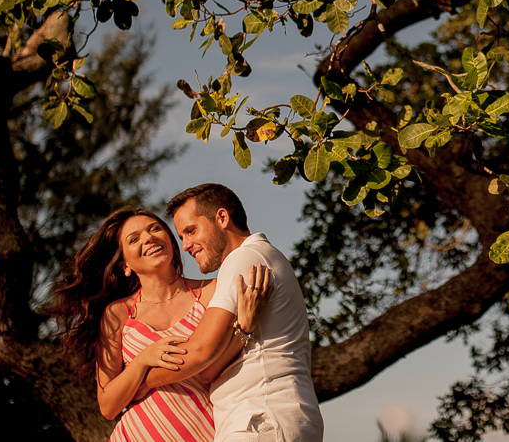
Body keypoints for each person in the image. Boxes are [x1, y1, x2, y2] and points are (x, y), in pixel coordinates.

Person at [48, 206, 271, 441]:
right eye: (134, 239)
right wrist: (142, 360)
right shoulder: (118, 314)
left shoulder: (210, 292)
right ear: (125, 266)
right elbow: (107, 406)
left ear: (172, 243)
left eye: (155, 229)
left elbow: (209, 365)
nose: (149, 237)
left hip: (205, 432)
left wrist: (244, 329)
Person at [132, 183, 324, 442]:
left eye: (191, 231)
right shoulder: (261, 255)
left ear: (222, 218)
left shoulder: (243, 259)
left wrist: (139, 383)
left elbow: (199, 353)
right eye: (181, 237)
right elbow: (209, 370)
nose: (186, 245)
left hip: (261, 420)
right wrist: (243, 328)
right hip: (266, 420)